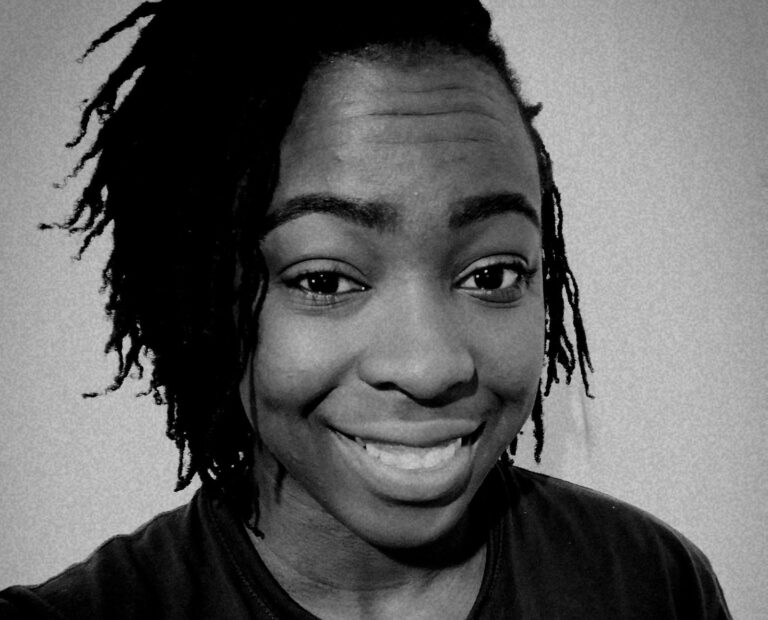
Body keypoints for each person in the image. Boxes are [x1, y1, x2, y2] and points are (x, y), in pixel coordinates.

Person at [0, 1, 732, 618]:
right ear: (201, 300)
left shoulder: (650, 585)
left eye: (493, 273)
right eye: (324, 281)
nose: (430, 367)